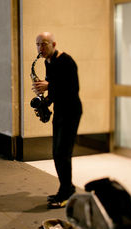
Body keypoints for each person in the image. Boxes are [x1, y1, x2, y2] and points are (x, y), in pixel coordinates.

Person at [32, 32, 83, 208]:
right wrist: (44, 99)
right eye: (38, 44)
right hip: (60, 111)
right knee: (56, 153)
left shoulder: (66, 61)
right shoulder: (48, 62)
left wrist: (49, 85)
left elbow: (73, 88)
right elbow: (54, 91)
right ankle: (65, 188)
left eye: (44, 44)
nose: (40, 48)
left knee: (63, 153)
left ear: (54, 44)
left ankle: (67, 192)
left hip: (71, 111)